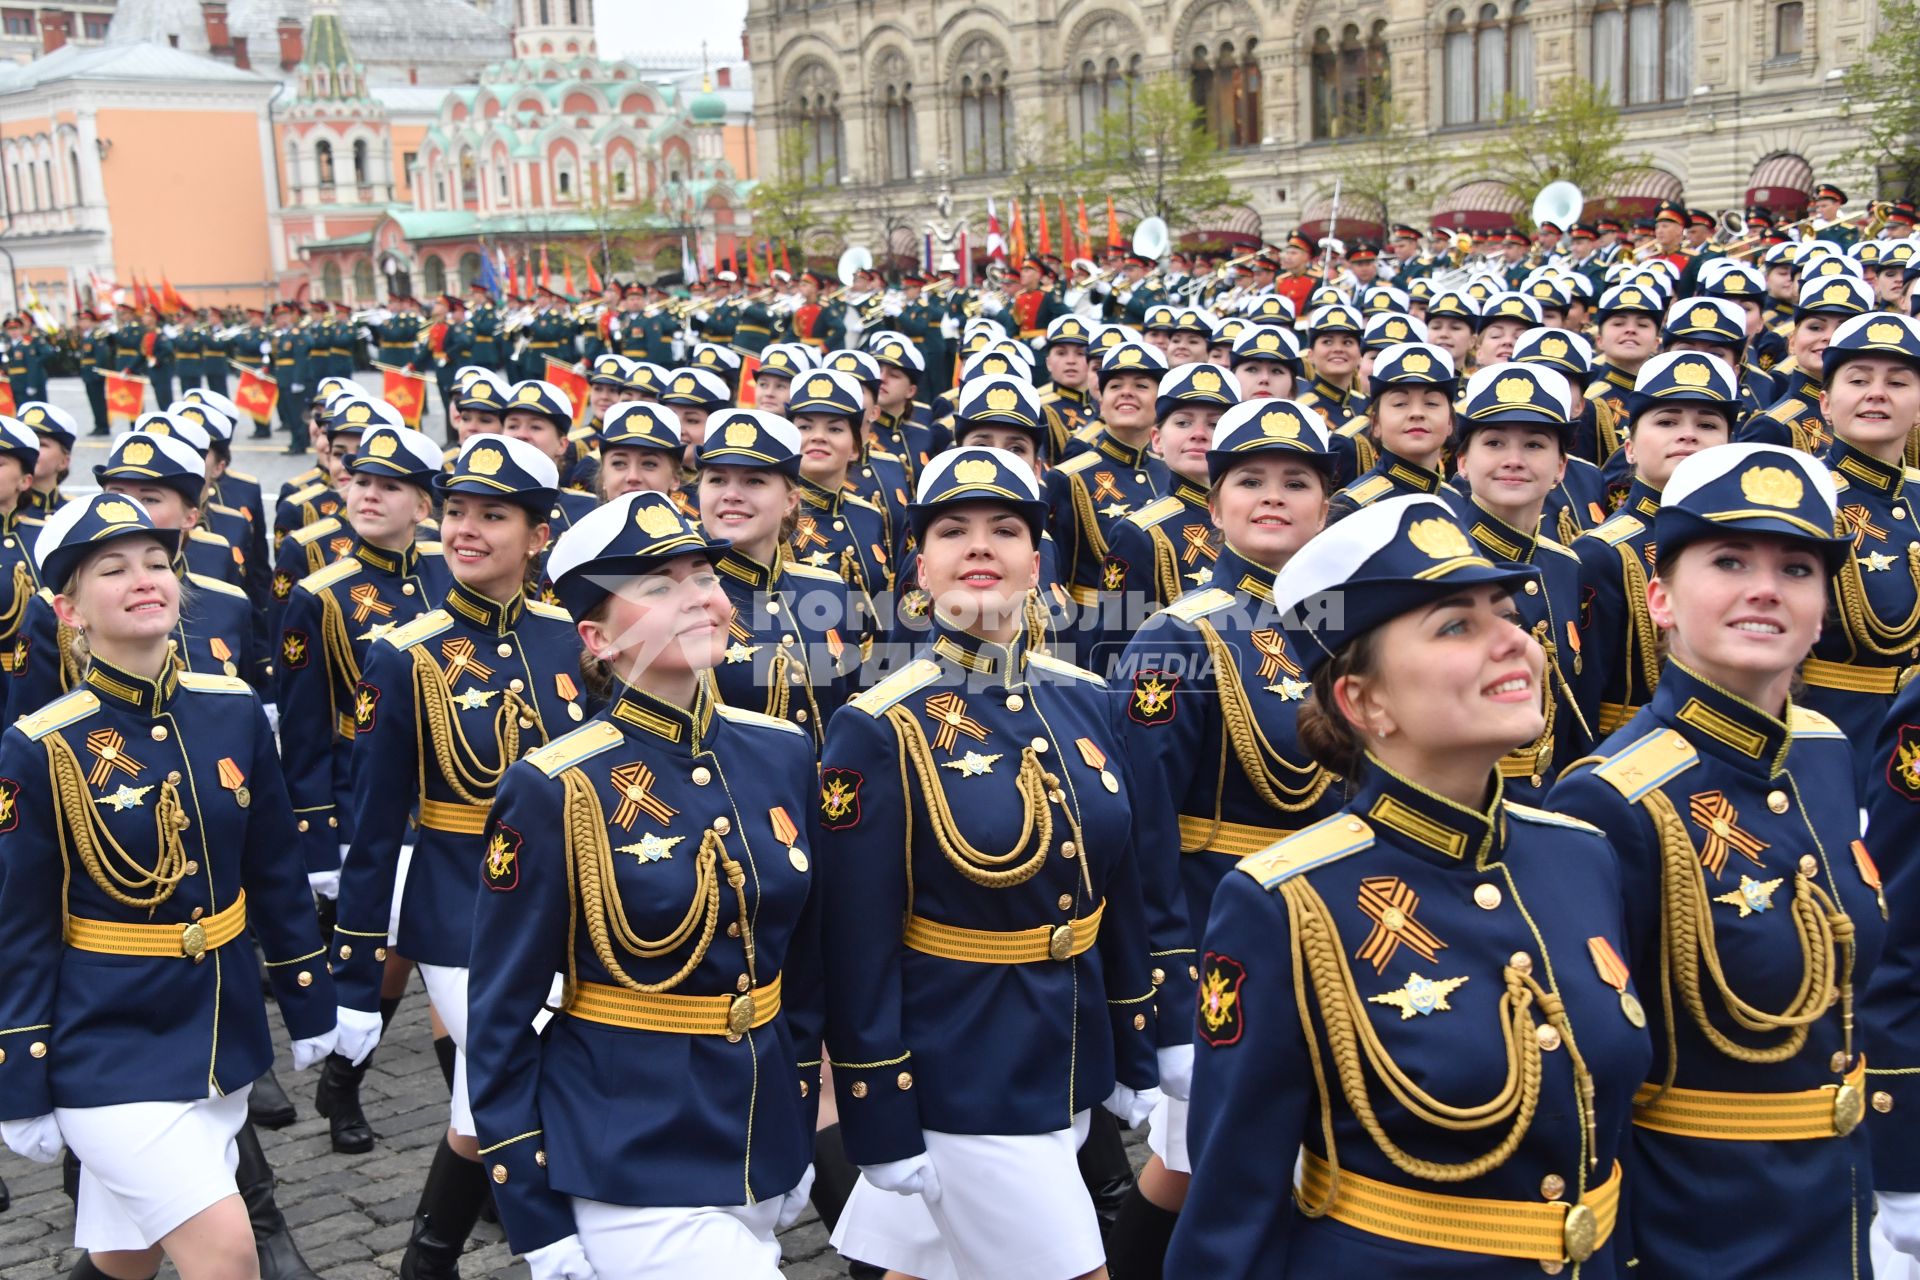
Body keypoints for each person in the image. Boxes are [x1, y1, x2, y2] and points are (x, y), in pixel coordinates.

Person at [1167, 494, 1651, 1277]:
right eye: (1457, 625)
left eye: (1506, 613)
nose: (1514, 643)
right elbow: (1232, 1205)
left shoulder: (1583, 853)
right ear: (1365, 701)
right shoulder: (1286, 901)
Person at [821, 446, 1161, 1280]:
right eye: (953, 531)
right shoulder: (878, 726)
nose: (981, 547)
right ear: (920, 569)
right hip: (959, 1070)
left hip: (1064, 1045)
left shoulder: (1081, 693)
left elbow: (1115, 887)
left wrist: (1136, 1037)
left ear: (1036, 564)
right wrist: (877, 1109)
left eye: (1004, 530)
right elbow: (854, 945)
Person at [464, 489, 823, 1279]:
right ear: (597, 636)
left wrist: (798, 1122)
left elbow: (800, 971)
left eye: (702, 576)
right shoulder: (554, 785)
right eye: (659, 588)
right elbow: (499, 1016)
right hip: (627, 1142)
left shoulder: (782, 752)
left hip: (758, 1136)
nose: (699, 598)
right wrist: (531, 1208)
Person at [1549, 443, 1881, 1277]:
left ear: (1822, 607)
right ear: (1659, 598)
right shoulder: (1608, 799)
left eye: (1797, 568)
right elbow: (1588, 1076)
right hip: (1694, 1226)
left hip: (1834, 1201)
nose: (1766, 587)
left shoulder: (1825, 751)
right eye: (1728, 561)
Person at [0, 493, 338, 1280]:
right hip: (107, 1045)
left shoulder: (232, 712)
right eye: (113, 570)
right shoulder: (38, 748)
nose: (144, 579)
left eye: (158, 562)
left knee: (125, 1258)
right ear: (69, 609)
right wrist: (19, 1071)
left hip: (221, 1032)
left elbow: (275, 871)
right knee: (226, 1252)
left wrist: (308, 992)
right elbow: (17, 926)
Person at [327, 434, 582, 1280]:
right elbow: (371, 828)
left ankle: (426, 1262)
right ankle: (555, 1245)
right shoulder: (403, 653)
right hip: (459, 913)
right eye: (459, 512)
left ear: (538, 534)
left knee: (482, 1104)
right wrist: (359, 980)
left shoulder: (574, 640)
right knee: (515, 1075)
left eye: (494, 516)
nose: (467, 530)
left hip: (572, 905)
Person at [1109, 398, 1343, 1273]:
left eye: (1296, 482)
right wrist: (1167, 987)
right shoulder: (1179, 635)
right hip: (1223, 935)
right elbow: (1145, 830)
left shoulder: (1344, 629)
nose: (1273, 497)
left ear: (1327, 506)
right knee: (1207, 1163)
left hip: (1333, 927)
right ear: (1214, 504)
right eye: (1249, 481)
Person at [275, 424, 452, 1154]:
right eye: (361, 482)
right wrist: (318, 842)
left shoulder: (452, 568)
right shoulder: (322, 596)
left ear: (423, 504)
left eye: (390, 486)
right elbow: (304, 728)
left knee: (439, 956)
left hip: (455, 796)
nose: (369, 495)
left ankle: (474, 1126)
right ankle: (346, 1083)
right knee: (378, 954)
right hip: (370, 804)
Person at [1571, 351, 1738, 737]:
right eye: (1666, 421)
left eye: (1708, 424)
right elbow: (1582, 700)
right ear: (1628, 447)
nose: (1688, 434)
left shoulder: (1750, 543)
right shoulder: (1602, 553)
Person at [1446, 363, 1593, 801]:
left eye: (1534, 444)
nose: (1514, 459)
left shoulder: (1566, 565)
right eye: (1494, 443)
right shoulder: (1435, 566)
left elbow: (1574, 713)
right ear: (1463, 462)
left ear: (1562, 467)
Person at [1796, 313, 1920, 791]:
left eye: (1898, 381)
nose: (1877, 392)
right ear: (1826, 403)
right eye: (1858, 379)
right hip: (1833, 743)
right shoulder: (1801, 500)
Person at [694, 407, 860, 750]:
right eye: (717, 479)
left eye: (754, 480)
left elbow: (852, 704)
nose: (732, 494)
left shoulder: (828, 588)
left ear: (790, 500)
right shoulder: (677, 600)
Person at [1325, 342, 1458, 521]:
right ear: (1375, 423)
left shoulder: (1457, 501)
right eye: (1400, 404)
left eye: (1431, 403)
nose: (1417, 413)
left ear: (1450, 422)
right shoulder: (1351, 509)